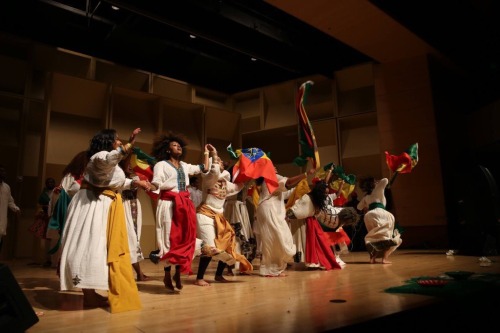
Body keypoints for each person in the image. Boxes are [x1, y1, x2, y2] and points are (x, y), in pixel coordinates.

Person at [59, 128, 150, 312]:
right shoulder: (100, 156)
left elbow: (113, 182)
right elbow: (108, 160)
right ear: (108, 141)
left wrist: (135, 182)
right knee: (90, 245)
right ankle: (89, 295)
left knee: (98, 247)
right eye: (116, 140)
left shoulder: (110, 164)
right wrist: (129, 145)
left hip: (102, 204)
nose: (119, 142)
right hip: (91, 205)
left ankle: (91, 293)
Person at [148, 131, 210, 292]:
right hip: (169, 204)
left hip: (184, 204)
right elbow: (157, 182)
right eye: (174, 145)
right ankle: (167, 273)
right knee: (170, 237)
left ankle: (177, 272)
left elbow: (203, 168)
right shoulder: (160, 165)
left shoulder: (184, 166)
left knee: (183, 238)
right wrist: (149, 186)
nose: (178, 147)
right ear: (168, 150)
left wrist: (207, 152)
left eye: (179, 145)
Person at [194, 148, 252, 286]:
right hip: (205, 215)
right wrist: (213, 155)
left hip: (219, 217)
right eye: (217, 161)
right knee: (210, 248)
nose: (220, 161)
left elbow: (238, 187)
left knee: (226, 245)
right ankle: (199, 278)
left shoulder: (226, 183)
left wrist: (248, 173)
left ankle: (219, 275)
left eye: (220, 160)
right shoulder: (208, 178)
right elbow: (214, 172)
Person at [253, 167, 315, 277]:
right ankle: (270, 269)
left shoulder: (267, 180)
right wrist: (305, 174)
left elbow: (285, 192)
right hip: (269, 210)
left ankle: (272, 267)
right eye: (272, 165)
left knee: (273, 240)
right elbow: (288, 182)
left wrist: (300, 183)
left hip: (266, 209)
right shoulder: (273, 177)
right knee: (279, 239)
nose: (275, 167)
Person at [286, 179, 360, 269]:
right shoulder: (313, 198)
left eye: (327, 193)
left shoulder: (322, 199)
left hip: (312, 223)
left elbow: (336, 195)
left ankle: (316, 261)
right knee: (310, 243)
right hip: (308, 222)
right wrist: (288, 215)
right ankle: (311, 261)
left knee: (316, 244)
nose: (326, 195)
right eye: (324, 193)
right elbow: (300, 211)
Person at [46, 150, 89, 270]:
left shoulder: (89, 175)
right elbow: (62, 195)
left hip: (85, 212)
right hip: (72, 212)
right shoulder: (70, 176)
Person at [357, 177, 402, 264]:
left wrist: (366, 204)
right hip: (382, 214)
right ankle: (384, 259)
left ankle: (372, 258)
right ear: (373, 184)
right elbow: (385, 180)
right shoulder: (378, 189)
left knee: (375, 237)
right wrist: (377, 183)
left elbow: (358, 207)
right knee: (386, 238)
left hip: (369, 216)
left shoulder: (366, 196)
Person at [119, 153, 150, 282]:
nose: (131, 167)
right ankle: (138, 273)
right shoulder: (119, 178)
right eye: (128, 165)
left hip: (134, 207)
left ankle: (139, 273)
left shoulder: (135, 177)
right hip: (123, 206)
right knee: (129, 239)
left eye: (131, 165)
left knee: (134, 238)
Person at [28, 177, 56, 266]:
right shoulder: (43, 194)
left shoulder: (57, 193)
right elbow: (40, 204)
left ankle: (53, 260)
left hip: (54, 218)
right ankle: (46, 259)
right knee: (45, 239)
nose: (50, 184)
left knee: (53, 238)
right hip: (45, 218)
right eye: (48, 182)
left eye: (52, 182)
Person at [0, 164, 21, 252]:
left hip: (2, 218)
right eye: (1, 171)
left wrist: (16, 209)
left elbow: (9, 201)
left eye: (4, 171)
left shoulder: (6, 187)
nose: (3, 173)